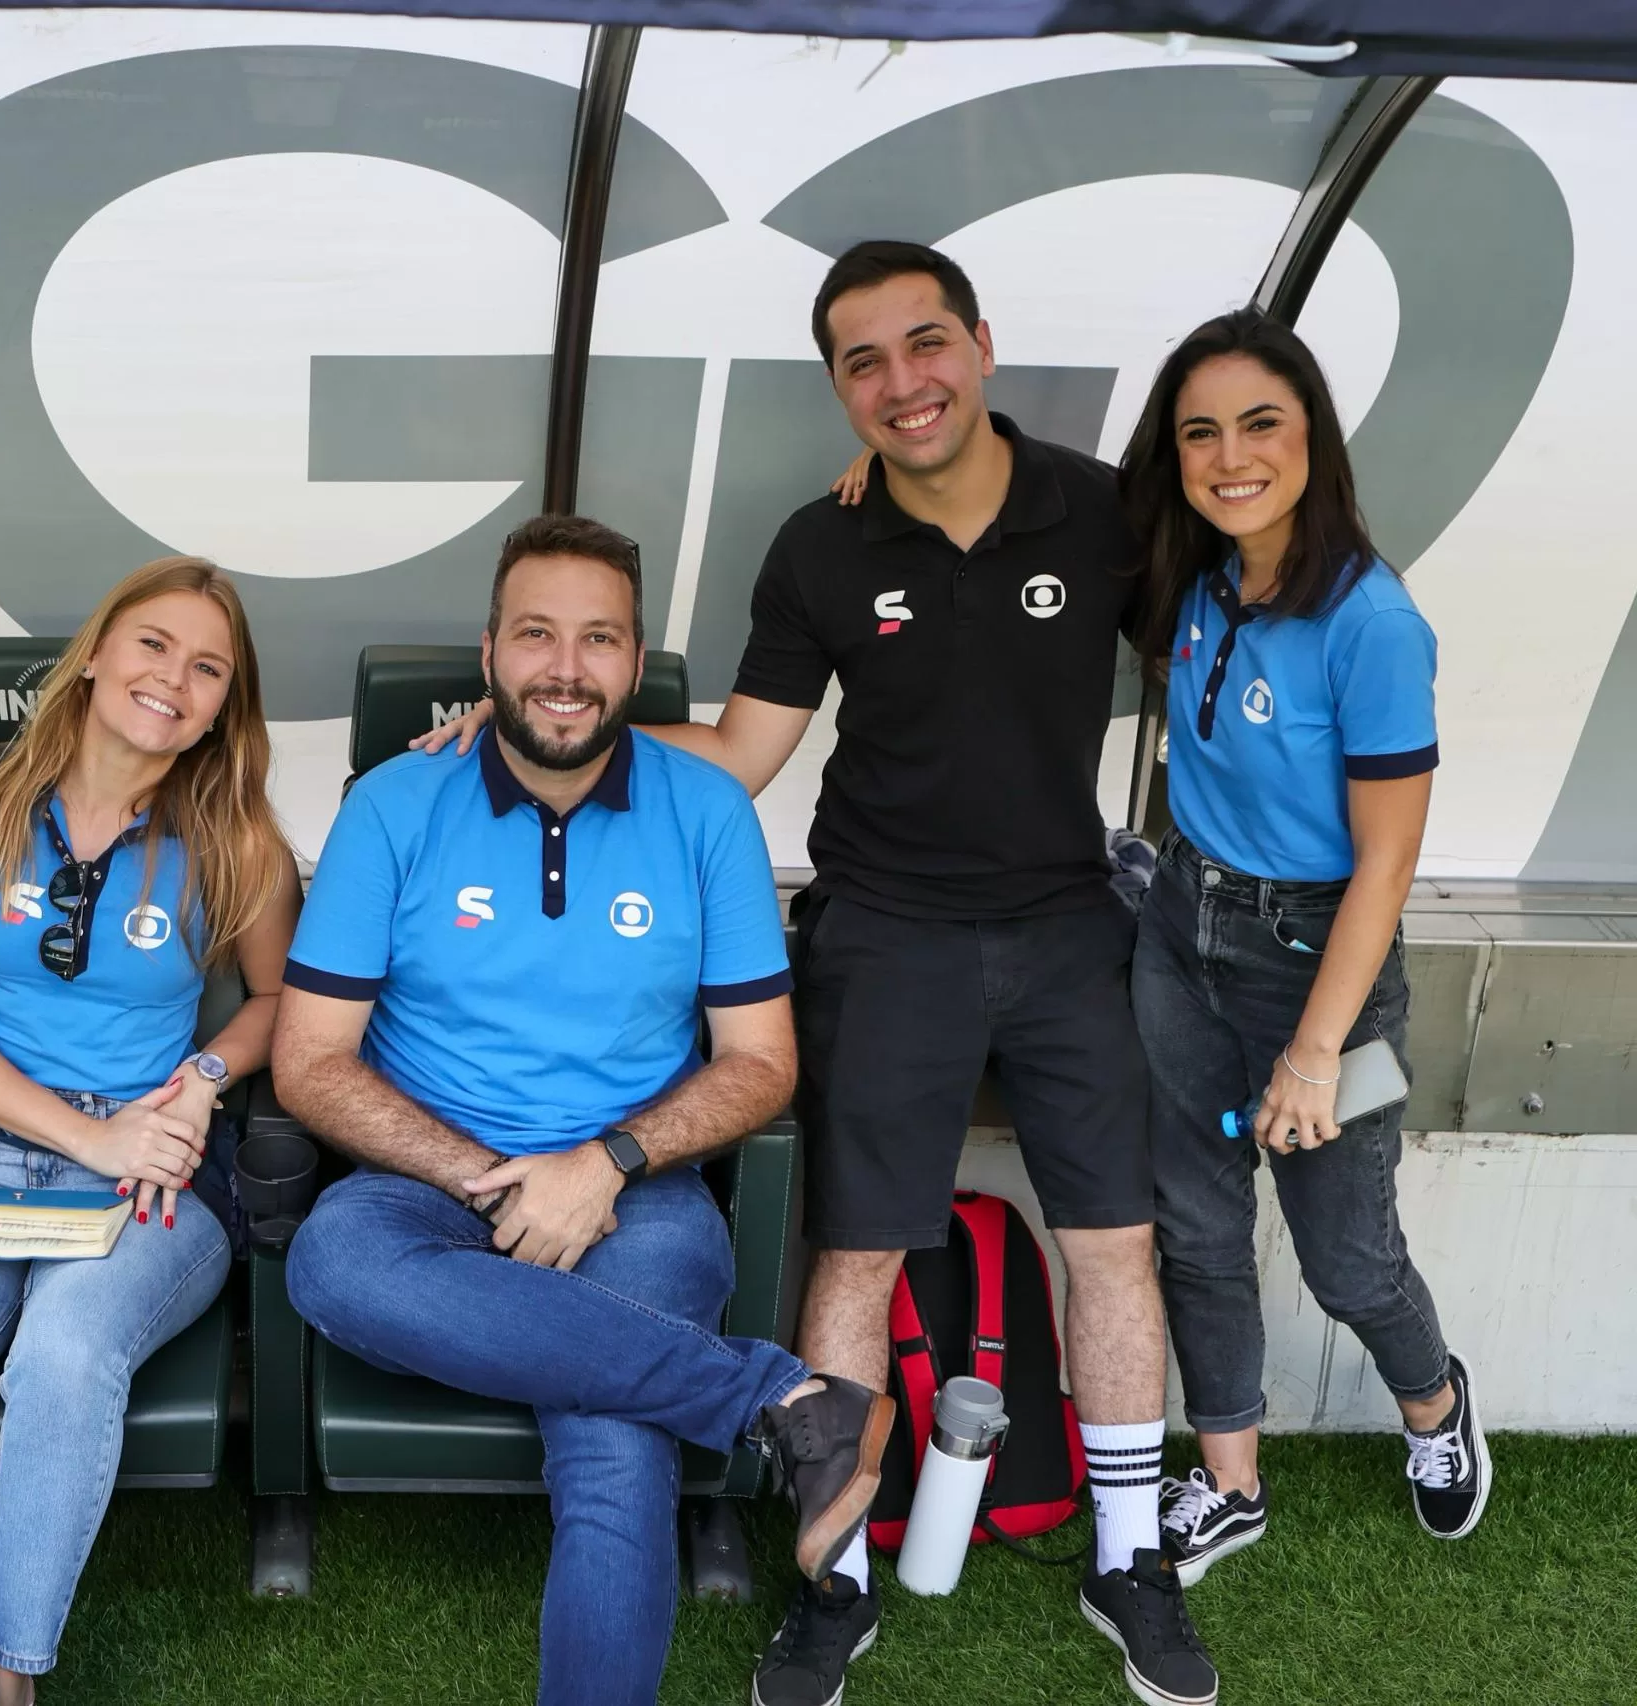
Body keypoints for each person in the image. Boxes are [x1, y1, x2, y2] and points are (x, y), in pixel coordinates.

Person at [419, 243, 1215, 1706]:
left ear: (981, 344)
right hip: (885, 930)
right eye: (864, 362)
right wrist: (532, 714)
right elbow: (738, 753)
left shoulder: (1104, 511)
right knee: (857, 1252)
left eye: (926, 344)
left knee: (1114, 1243)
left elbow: (1223, 648)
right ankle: (835, 1581)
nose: (903, 382)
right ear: (840, 389)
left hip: (1067, 928)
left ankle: (1129, 1558)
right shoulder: (823, 545)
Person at [278, 513, 894, 1706]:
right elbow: (308, 1059)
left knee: (615, 1446)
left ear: (636, 658)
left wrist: (604, 1161)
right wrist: (490, 1178)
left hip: (637, 1192)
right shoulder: (394, 804)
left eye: (598, 638)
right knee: (329, 1260)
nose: (565, 667)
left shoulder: (706, 810)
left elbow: (761, 1061)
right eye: (536, 634)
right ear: (489, 651)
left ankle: (771, 1406)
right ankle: (778, 1399)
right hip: (423, 1183)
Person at [0, 557, 300, 1706]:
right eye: (153, 644)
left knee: (63, 1355)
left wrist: (200, 1077)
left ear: (222, 707)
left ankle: (8, 1680)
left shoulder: (236, 831)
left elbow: (283, 1003)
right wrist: (81, 1139)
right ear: (94, 655)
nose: (172, 679)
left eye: (208, 669)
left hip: (155, 1162)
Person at [1120, 310, 1487, 1583]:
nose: (1230, 456)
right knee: (1195, 1226)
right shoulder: (1194, 570)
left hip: (1324, 965)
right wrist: (884, 468)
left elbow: (1387, 860)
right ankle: (1230, 1483)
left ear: (1313, 436)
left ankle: (1435, 1404)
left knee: (1346, 1258)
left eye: (1259, 423)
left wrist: (1317, 1050)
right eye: (1200, 432)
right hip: (1182, 927)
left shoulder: (1371, 621)